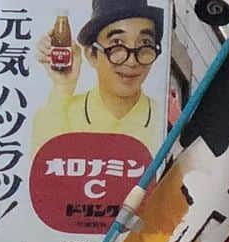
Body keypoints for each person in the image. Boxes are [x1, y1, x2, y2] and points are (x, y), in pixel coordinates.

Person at [32, 1, 165, 155]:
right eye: (117, 43)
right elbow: (43, 166)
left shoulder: (163, 121)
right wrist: (62, 86)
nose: (132, 61)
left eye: (145, 43)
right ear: (91, 54)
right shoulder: (59, 112)